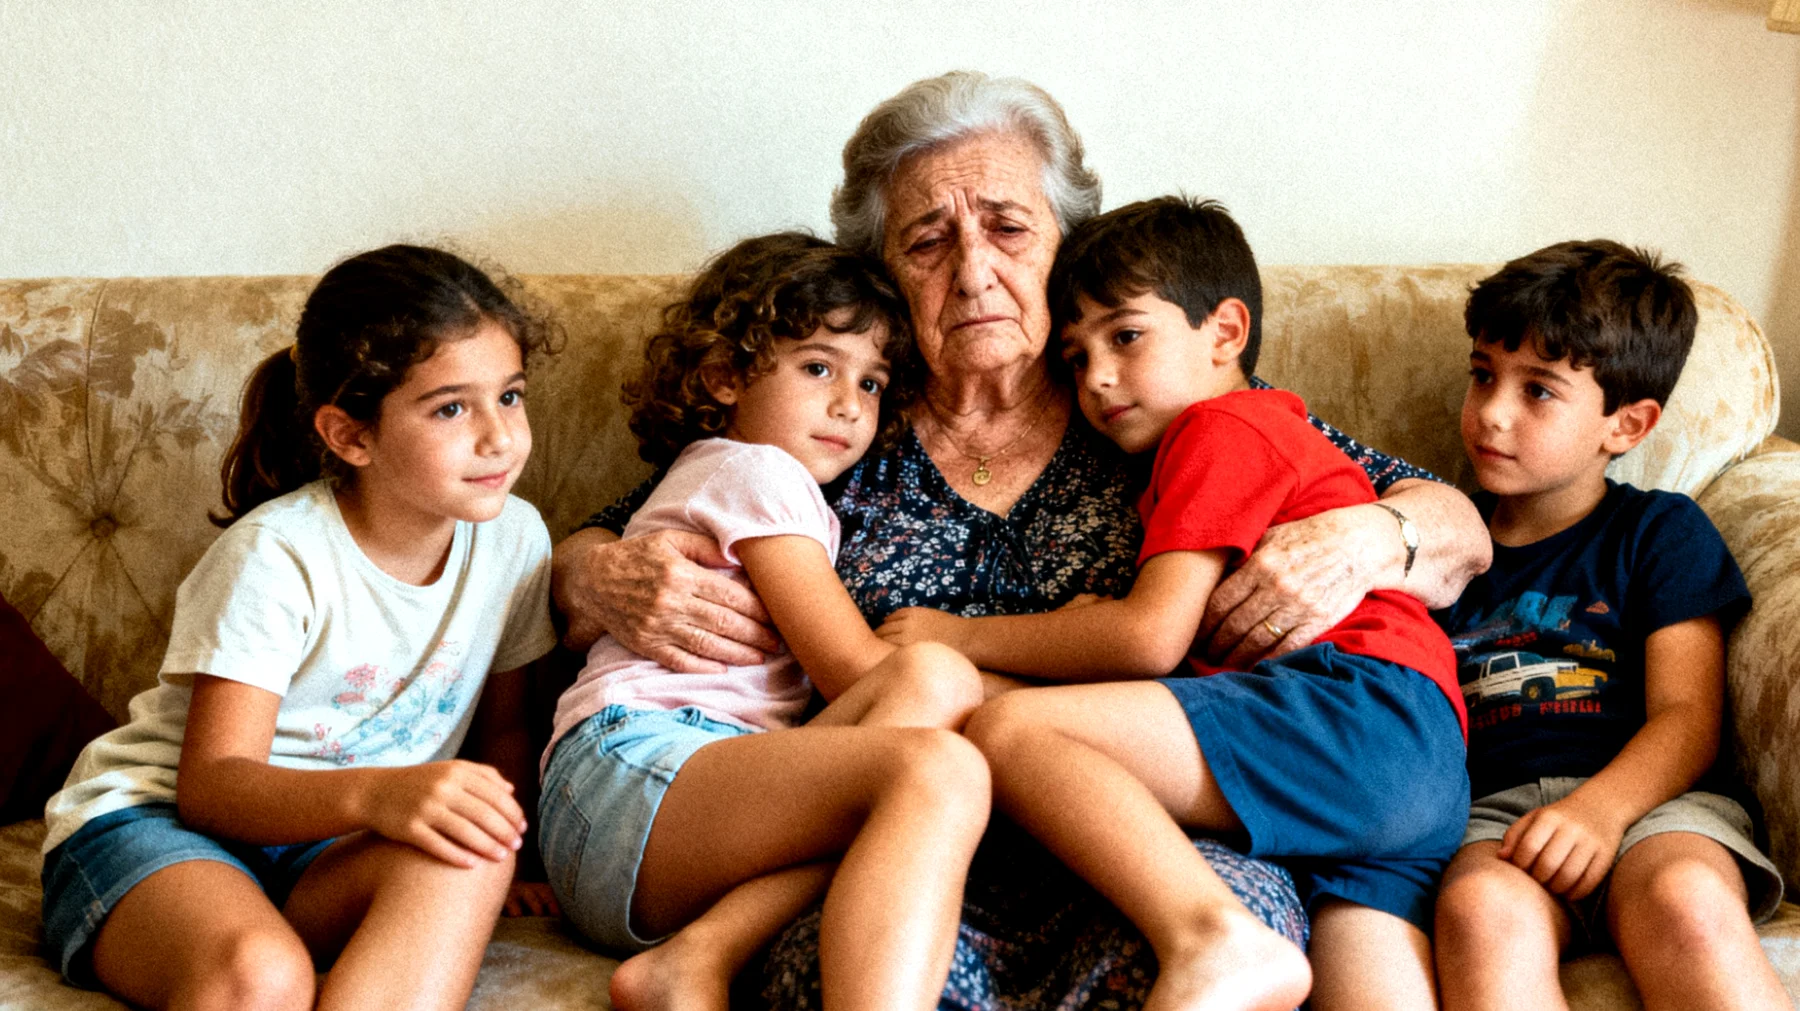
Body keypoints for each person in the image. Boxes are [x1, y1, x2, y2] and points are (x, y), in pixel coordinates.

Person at [554, 72, 1492, 1009]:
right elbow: (618, 528)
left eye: (1007, 227)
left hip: (1148, 836)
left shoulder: (1149, 402)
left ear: (1064, 245)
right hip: (896, 841)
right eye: (927, 240)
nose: (971, 270)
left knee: (1172, 958)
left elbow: (1459, 524)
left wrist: (1377, 533)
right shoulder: (837, 419)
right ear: (883, 274)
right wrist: (594, 574)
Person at [879, 196, 1470, 1010]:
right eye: (1077, 358)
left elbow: (1149, 638)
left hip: (1351, 707)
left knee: (1014, 731)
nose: (1098, 379)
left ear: (1226, 333)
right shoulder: (1252, 433)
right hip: (1418, 763)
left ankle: (1208, 934)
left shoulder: (1219, 431)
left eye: (1124, 337)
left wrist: (961, 636)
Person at [38, 245, 561, 1010]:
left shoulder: (517, 539)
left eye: (509, 396)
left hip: (329, 852)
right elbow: (212, 787)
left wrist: (508, 851)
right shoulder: (275, 555)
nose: (499, 436)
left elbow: (505, 731)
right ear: (351, 436)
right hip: (158, 830)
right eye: (452, 407)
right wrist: (379, 794)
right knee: (263, 976)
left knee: (471, 849)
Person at [537, 232, 991, 1011]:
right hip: (633, 769)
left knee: (929, 699)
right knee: (938, 745)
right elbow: (850, 667)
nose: (850, 404)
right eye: (818, 367)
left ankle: (694, 957)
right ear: (724, 375)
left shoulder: (754, 479)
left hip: (660, 803)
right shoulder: (758, 473)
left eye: (873, 382)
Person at [1430, 240, 1788, 1010]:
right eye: (1483, 374)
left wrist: (1599, 810)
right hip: (1493, 820)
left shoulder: (1658, 531)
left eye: (1540, 391)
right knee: (1480, 913)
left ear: (1626, 425)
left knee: (1689, 901)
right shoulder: (1440, 545)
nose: (1491, 411)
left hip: (1651, 805)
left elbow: (1688, 717)